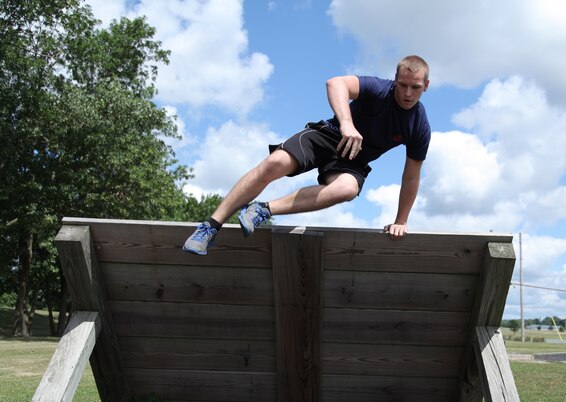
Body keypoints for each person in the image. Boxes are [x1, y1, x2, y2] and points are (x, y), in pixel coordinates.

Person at [183, 55, 431, 255]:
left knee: (347, 189)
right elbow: (335, 83)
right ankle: (210, 227)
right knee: (277, 161)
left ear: (426, 86)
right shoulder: (378, 89)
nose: (408, 93)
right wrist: (346, 123)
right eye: (403, 85)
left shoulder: (418, 126)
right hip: (328, 135)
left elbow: (411, 178)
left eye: (415, 88)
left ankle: (262, 210)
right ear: (395, 80)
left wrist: (401, 220)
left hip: (352, 159)